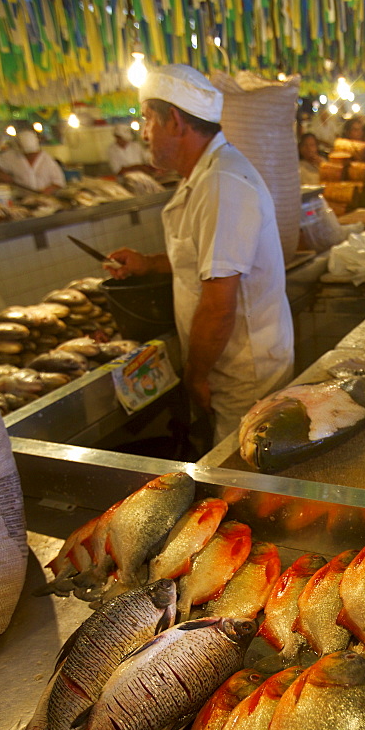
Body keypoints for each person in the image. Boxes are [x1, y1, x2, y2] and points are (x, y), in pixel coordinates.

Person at [106, 64, 294, 446]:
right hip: (229, 364)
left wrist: (195, 375)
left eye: (147, 120)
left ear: (174, 121)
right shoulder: (205, 177)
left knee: (243, 484)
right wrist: (147, 263)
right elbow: (200, 260)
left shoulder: (221, 183)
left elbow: (219, 304)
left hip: (244, 373)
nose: (144, 134)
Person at [0, 130, 65, 193]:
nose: (30, 156)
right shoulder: (10, 156)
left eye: (33, 154)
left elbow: (59, 182)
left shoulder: (48, 160)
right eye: (27, 154)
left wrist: (49, 190)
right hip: (20, 197)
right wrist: (0, 174)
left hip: (44, 198)